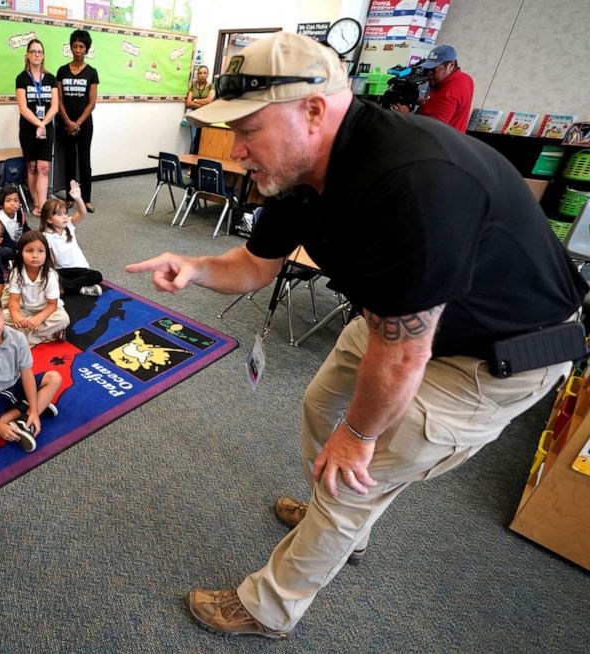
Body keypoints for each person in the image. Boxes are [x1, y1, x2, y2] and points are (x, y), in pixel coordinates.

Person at [126, 32, 587, 640]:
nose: (235, 151)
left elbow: (405, 354)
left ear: (313, 110)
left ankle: (270, 606)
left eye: (247, 131)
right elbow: (255, 265)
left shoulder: (412, 180)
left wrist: (359, 436)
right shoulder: (296, 171)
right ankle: (339, 519)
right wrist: (196, 267)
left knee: (352, 479)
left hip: (493, 354)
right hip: (398, 322)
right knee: (322, 404)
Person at [0, 285, 62, 452]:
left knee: (54, 378)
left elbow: (27, 374)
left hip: (17, 386)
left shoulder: (17, 338)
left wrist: (35, 412)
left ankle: (28, 411)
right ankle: (22, 411)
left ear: (2, 311)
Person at [56, 29, 99, 213]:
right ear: (71, 48)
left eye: (81, 46)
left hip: (84, 125)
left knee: (84, 161)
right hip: (65, 124)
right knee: (69, 161)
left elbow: (92, 102)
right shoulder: (62, 71)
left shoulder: (91, 72)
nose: (78, 50)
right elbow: (59, 100)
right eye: (75, 46)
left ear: (86, 49)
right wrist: (68, 121)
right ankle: (70, 197)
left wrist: (78, 123)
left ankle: (87, 198)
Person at [16, 38, 59, 217]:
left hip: (47, 128)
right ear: (27, 55)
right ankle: (36, 202)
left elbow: (54, 106)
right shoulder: (22, 78)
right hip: (28, 128)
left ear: (43, 55)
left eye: (39, 51)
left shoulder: (50, 78)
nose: (36, 54)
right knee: (32, 166)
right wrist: (38, 124)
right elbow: (23, 108)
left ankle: (42, 205)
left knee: (44, 167)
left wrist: (44, 125)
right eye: (32, 51)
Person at [4, 231, 70, 345]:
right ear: (21, 253)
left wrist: (38, 319)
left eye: (40, 251)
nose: (35, 255)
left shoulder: (50, 275)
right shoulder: (16, 273)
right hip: (24, 309)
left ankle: (22, 338)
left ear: (46, 254)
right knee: (3, 317)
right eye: (29, 251)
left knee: (63, 319)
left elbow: (52, 305)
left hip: (45, 311)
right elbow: (14, 300)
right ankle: (49, 335)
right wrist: (16, 315)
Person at [39, 180, 103, 296]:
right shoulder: (46, 236)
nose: (64, 217)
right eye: (59, 214)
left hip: (80, 269)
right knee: (51, 278)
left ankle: (66, 288)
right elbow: (51, 262)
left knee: (97, 276)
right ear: (48, 219)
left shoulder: (69, 225)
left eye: (65, 213)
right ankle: (80, 289)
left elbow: (82, 212)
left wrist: (78, 198)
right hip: (63, 271)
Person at [392, 44, 474, 133]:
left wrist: (407, 116)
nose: (429, 74)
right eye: (427, 69)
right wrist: (427, 103)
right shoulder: (466, 79)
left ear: (451, 65)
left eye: (434, 69)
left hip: (440, 145)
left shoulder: (449, 93)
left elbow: (433, 131)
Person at [185, 65, 215, 153]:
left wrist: (196, 100)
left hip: (206, 117)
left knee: (203, 140)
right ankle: (191, 164)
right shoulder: (193, 87)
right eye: (200, 73)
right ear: (197, 75)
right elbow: (188, 103)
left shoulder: (211, 86)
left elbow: (210, 100)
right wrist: (202, 104)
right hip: (194, 116)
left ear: (208, 74)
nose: (202, 75)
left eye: (204, 73)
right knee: (194, 138)